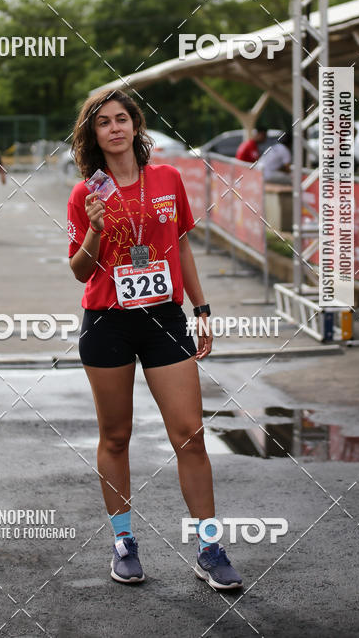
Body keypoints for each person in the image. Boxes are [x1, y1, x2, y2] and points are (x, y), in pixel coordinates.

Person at [66, 88, 243, 591]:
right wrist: (96, 232)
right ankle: (124, 543)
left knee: (190, 433)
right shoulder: (87, 195)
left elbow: (182, 243)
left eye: (123, 119)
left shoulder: (166, 178)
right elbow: (80, 271)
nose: (115, 128)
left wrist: (201, 307)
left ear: (136, 126)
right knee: (116, 437)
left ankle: (209, 548)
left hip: (165, 317)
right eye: (104, 122)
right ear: (93, 134)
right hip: (108, 322)